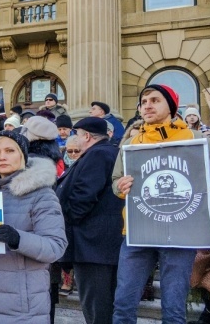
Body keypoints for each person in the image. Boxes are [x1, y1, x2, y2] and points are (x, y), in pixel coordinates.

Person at [112, 84, 210, 323]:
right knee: (123, 303)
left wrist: (204, 211)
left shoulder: (197, 139)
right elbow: (115, 180)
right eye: (143, 102)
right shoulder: (131, 144)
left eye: (155, 100)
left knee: (173, 308)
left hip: (181, 236)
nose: (147, 105)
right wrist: (120, 186)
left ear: (171, 106)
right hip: (137, 233)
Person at [0, 130, 67, 323]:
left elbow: (55, 247)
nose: (2, 157)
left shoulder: (42, 195)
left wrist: (18, 239)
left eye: (10, 151)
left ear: (22, 156)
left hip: (20, 309)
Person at [55, 117, 124, 324]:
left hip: (93, 246)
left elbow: (83, 196)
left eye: (76, 133)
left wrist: (67, 221)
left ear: (86, 136)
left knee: (97, 308)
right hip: (98, 246)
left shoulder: (99, 154)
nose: (74, 138)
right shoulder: (104, 152)